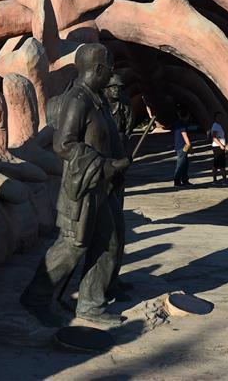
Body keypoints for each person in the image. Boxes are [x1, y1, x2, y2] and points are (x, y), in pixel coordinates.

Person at [21, 44, 130, 327]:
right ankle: (36, 298)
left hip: (100, 186)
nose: (111, 75)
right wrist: (103, 165)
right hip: (82, 187)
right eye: (109, 69)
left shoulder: (97, 99)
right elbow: (64, 144)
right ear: (98, 69)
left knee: (107, 242)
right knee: (72, 245)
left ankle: (91, 304)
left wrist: (116, 164)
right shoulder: (78, 100)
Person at [103, 73, 133, 301]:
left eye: (119, 87)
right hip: (104, 170)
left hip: (119, 167)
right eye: (113, 87)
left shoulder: (125, 107)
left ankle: (114, 277)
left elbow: (128, 130)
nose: (116, 90)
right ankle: (105, 281)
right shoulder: (99, 108)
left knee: (119, 228)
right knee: (107, 232)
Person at [173, 107, 192, 187]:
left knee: (185, 163)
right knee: (181, 163)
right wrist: (190, 147)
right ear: (186, 116)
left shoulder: (177, 123)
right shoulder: (182, 124)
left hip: (181, 146)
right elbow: (185, 136)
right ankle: (177, 181)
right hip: (183, 146)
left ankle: (185, 180)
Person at [209, 113, 227, 184]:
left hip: (218, 146)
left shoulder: (218, 125)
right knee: (221, 164)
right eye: (219, 117)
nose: (221, 118)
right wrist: (221, 145)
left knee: (216, 164)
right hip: (218, 147)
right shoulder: (215, 125)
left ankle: (215, 180)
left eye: (221, 117)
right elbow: (214, 137)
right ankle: (224, 180)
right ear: (216, 118)